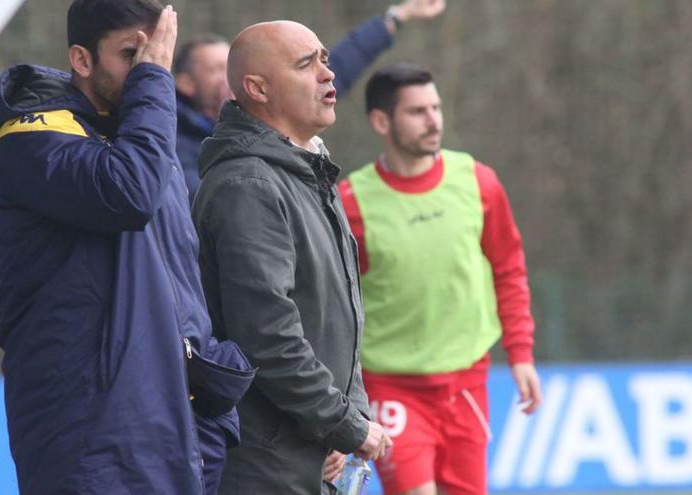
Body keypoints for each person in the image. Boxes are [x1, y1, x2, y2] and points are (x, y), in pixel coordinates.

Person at [0, 2, 239, 493]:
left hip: (176, 429)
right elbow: (128, 195)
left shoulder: (148, 139)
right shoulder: (31, 139)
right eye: (132, 55)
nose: (148, 69)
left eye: (156, 53)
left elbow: (184, 278)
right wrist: (155, 79)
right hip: (93, 436)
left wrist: (214, 410)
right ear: (82, 59)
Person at [192, 21, 393, 495]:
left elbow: (338, 323)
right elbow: (268, 336)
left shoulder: (306, 172)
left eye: (325, 59)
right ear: (257, 88)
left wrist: (346, 421)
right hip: (264, 469)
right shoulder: (249, 186)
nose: (328, 75)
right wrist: (345, 423)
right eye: (307, 64)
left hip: (311, 456)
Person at [339, 63, 543, 495]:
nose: (433, 120)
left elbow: (509, 268)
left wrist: (520, 352)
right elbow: (333, 307)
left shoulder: (478, 182)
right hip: (392, 388)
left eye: (436, 107)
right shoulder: (350, 203)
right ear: (381, 121)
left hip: (467, 381)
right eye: (417, 111)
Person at [175, 0, 446, 203]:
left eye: (229, 66)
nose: (227, 77)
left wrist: (394, 18)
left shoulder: (285, 112)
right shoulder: (174, 144)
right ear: (185, 83)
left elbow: (339, 66)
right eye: (215, 70)